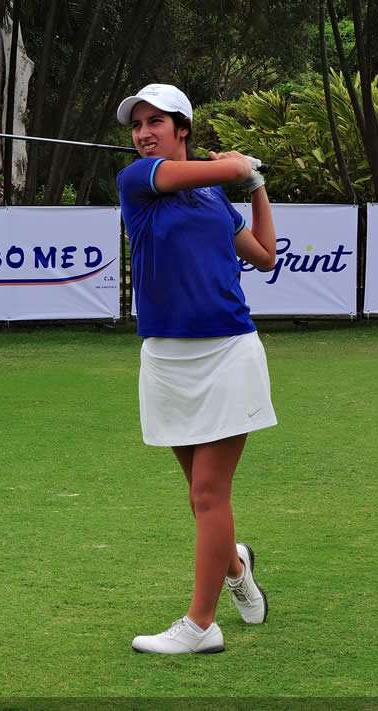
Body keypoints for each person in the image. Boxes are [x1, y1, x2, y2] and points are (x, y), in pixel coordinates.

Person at [115, 83, 278, 654]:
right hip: (166, 357)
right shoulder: (137, 180)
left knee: (209, 494)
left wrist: (255, 187)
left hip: (228, 351)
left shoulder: (214, 198)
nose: (143, 134)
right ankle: (236, 566)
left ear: (182, 128)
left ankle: (201, 625)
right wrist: (237, 166)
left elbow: (264, 255)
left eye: (155, 122)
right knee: (200, 497)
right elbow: (218, 169)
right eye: (137, 125)